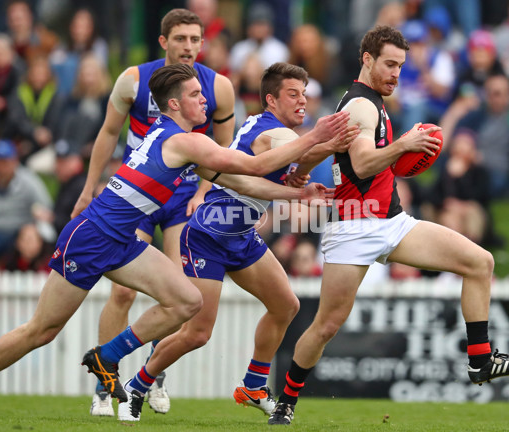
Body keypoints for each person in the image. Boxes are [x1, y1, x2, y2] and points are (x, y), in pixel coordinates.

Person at [0, 63, 349, 408]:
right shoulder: (186, 142)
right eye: (195, 95)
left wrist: (297, 194)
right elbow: (254, 165)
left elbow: (238, 181)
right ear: (174, 104)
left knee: (186, 302)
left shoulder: (177, 138)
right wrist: (316, 136)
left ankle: (107, 356)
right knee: (41, 330)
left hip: (122, 240)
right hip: (92, 235)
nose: (205, 100)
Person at [267, 25, 509, 426]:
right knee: (325, 325)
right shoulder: (361, 104)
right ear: (367, 60)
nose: (396, 73)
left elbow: (335, 151)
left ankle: (481, 360)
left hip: (390, 221)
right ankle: (286, 401)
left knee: (480, 262)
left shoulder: (368, 101)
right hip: (354, 228)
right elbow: (362, 164)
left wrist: (302, 170)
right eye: (389, 64)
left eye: (401, 66)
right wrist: (404, 146)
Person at [116, 62, 357, 422]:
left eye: (304, 94)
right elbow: (300, 152)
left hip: (240, 234)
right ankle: (138, 385)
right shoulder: (274, 134)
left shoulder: (269, 129)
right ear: (271, 99)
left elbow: (297, 164)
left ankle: (254, 385)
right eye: (293, 94)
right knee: (198, 333)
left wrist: (309, 166)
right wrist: (329, 142)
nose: (302, 101)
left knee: (286, 305)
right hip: (209, 235)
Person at [67, 9, 236, 416]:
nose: (190, 47)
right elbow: (109, 131)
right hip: (138, 198)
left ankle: (152, 379)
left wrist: (206, 192)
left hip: (181, 199)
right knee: (123, 291)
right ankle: (105, 388)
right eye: (181, 39)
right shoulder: (134, 80)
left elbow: (226, 151)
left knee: (178, 290)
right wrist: (90, 188)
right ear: (163, 42)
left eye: (196, 39)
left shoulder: (219, 87)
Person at [0, 139, 54, 259]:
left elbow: (46, 207)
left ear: (15, 161)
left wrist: (38, 215)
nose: (2, 166)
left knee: (29, 237)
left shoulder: (29, 181)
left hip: (18, 232)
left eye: (6, 162)